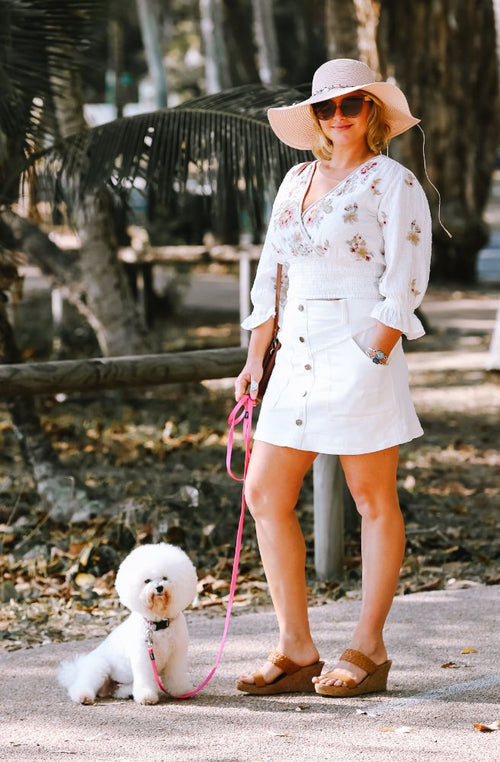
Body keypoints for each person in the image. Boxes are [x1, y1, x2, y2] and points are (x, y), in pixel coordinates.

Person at [233, 58, 432, 697]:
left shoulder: (393, 182)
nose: (339, 117)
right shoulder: (296, 178)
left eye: (351, 105)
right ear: (314, 117)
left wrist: (375, 349)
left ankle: (368, 647)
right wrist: (255, 357)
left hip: (359, 345)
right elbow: (272, 272)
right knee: (264, 492)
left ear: (372, 111)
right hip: (294, 356)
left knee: (372, 497)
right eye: (326, 108)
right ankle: (295, 647)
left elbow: (405, 275)